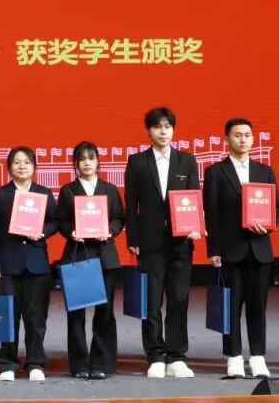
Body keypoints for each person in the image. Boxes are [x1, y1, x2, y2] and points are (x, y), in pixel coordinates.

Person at [203, 117, 279, 378]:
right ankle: (234, 357)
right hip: (230, 250)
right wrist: (213, 250)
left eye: (247, 135)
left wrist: (268, 225)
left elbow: (277, 208)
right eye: (237, 135)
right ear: (226, 139)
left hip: (259, 250)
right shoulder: (216, 172)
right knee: (231, 307)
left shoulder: (264, 171)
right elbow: (211, 214)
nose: (243, 140)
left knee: (257, 307)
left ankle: (258, 357)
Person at [124, 107, 201, 379]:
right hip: (149, 242)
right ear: (149, 131)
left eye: (168, 126)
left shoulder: (186, 161)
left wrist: (195, 226)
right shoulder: (137, 162)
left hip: (181, 241)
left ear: (173, 130)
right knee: (151, 300)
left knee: (179, 299)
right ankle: (156, 355)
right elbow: (130, 203)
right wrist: (132, 239)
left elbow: (194, 197)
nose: (163, 131)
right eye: (157, 127)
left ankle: (177, 356)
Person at [0, 146, 58, 382]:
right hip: (8, 265)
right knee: (8, 316)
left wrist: (43, 231)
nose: (22, 166)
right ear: (9, 168)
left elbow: (54, 221)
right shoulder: (0, 195)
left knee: (36, 318)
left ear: (34, 167)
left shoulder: (43, 193)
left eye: (27, 162)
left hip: (37, 264)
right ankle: (7, 363)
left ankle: (36, 362)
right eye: (17, 162)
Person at [55, 141, 125, 380]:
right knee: (76, 313)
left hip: (105, 257)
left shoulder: (109, 189)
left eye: (91, 158)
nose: (87, 163)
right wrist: (71, 232)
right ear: (76, 163)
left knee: (105, 313)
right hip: (78, 255)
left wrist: (111, 231)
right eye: (82, 159)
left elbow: (119, 218)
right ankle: (79, 365)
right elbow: (61, 221)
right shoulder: (68, 190)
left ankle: (101, 363)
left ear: (98, 162)